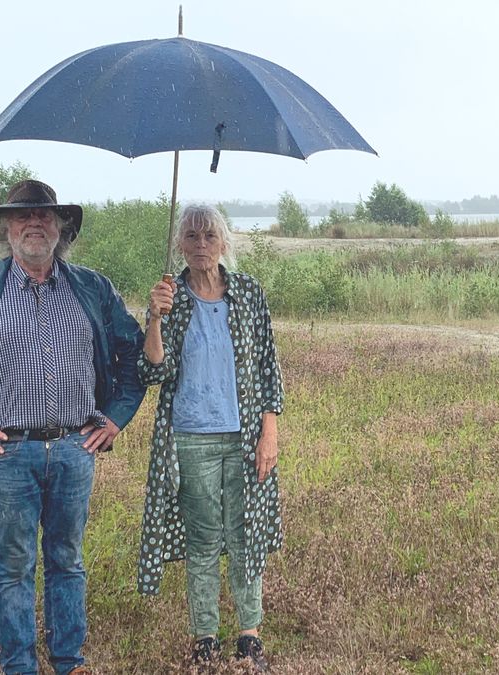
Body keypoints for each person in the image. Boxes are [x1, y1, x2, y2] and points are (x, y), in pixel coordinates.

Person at [0, 180, 145, 675]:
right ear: (5, 229)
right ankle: (18, 666)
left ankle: (68, 662)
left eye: (45, 216)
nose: (34, 224)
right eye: (22, 217)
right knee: (15, 565)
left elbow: (134, 356)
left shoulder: (94, 289)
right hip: (7, 453)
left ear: (62, 228)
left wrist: (117, 417)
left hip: (74, 447)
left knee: (67, 560)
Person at [137, 205, 284, 672]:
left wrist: (269, 433)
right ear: (180, 244)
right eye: (192, 236)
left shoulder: (248, 293)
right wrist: (154, 318)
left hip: (245, 438)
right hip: (191, 438)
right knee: (202, 541)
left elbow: (268, 367)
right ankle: (204, 637)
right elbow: (152, 371)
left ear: (223, 242)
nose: (201, 244)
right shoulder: (170, 296)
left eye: (209, 236)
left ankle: (249, 635)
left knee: (245, 537)